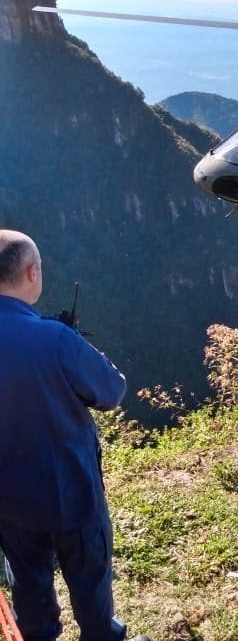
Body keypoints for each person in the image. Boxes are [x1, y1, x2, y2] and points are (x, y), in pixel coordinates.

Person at [0, 230, 148, 641]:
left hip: (10, 501)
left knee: (29, 589)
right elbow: (111, 391)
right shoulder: (55, 338)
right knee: (91, 588)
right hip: (72, 493)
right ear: (32, 272)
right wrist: (73, 345)